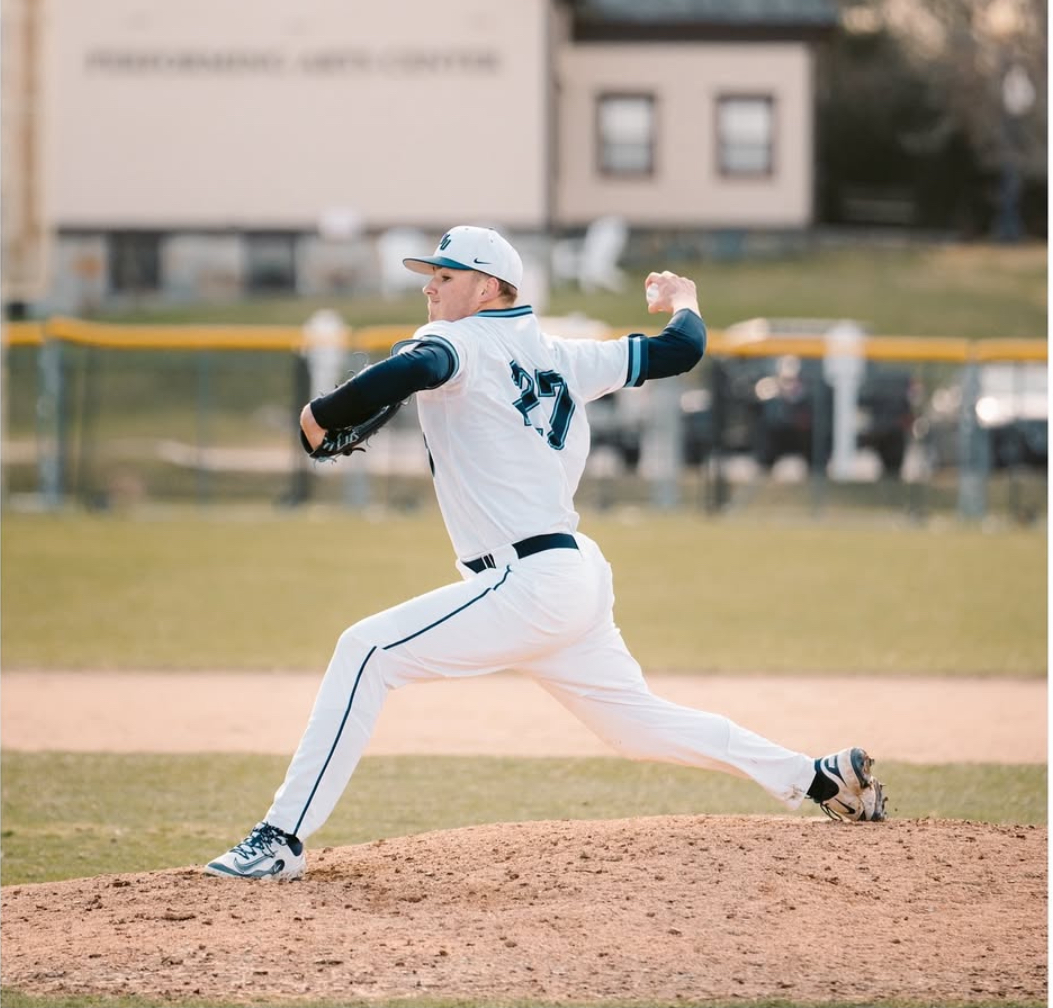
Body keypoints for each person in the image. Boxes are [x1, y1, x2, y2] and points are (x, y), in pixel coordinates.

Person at [205, 226, 886, 881]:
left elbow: (420, 364)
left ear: (488, 288)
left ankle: (279, 840)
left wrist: (321, 413)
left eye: (444, 277)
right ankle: (818, 776)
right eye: (429, 278)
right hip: (571, 576)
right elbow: (680, 350)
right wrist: (684, 298)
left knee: (365, 651)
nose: (430, 289)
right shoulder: (568, 354)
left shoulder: (456, 341)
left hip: (527, 581)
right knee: (637, 727)